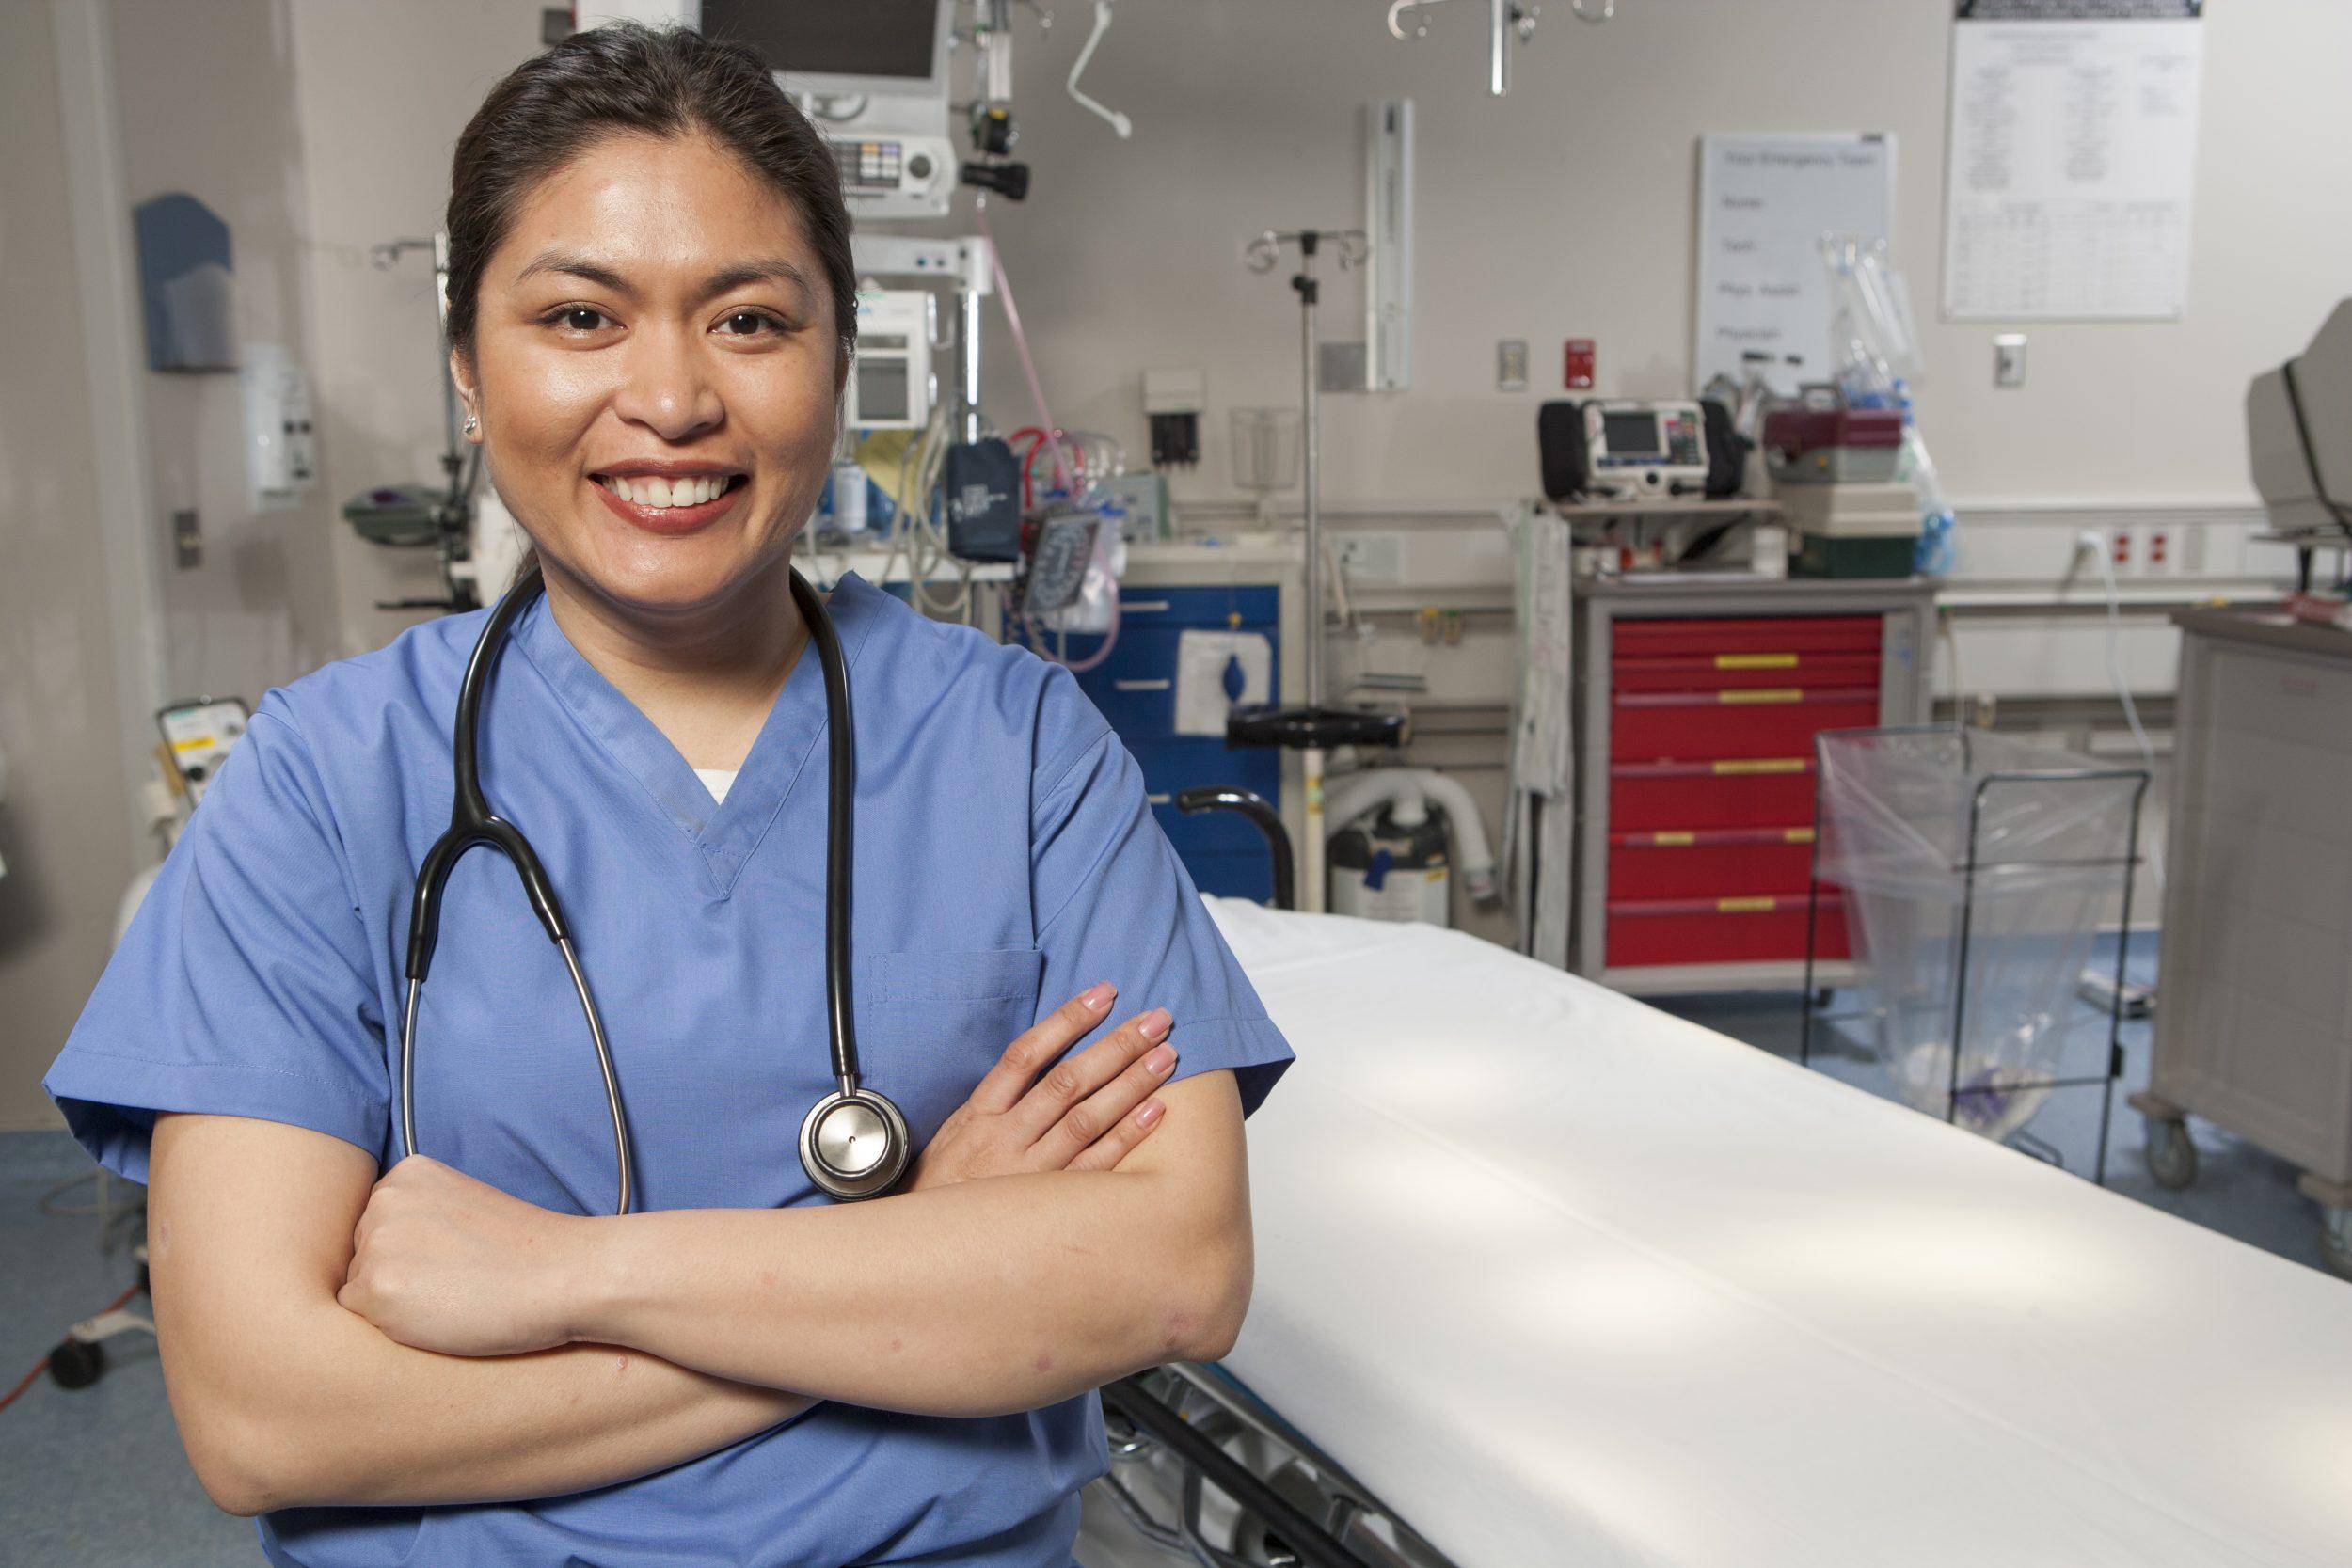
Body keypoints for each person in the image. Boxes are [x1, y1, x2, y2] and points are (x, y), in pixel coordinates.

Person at [43, 24, 1292, 1567]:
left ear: (837, 351)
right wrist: (900, 1261)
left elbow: (1169, 1274)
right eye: (579, 314)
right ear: (466, 359)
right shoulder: (320, 782)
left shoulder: (1019, 746)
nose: (672, 398)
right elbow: (268, 1417)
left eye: (750, 320)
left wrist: (563, 1276)